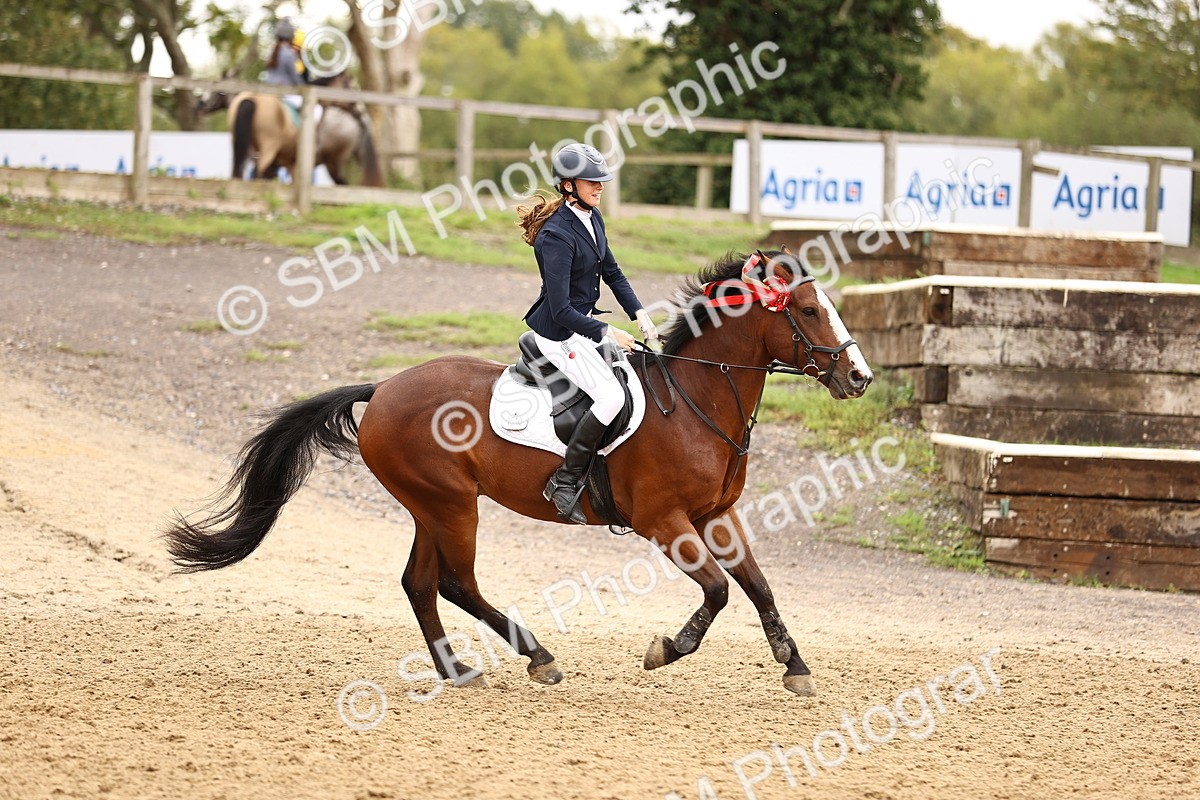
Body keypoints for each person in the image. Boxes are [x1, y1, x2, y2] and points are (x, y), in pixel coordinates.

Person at [517, 143, 658, 525]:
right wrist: (607, 331)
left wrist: (640, 314)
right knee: (611, 396)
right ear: (567, 185)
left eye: (601, 181)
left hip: (582, 326)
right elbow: (562, 310)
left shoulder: (592, 218)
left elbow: (612, 272)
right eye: (591, 182)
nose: (599, 188)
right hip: (559, 335)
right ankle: (564, 481)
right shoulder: (555, 237)